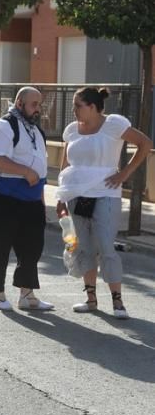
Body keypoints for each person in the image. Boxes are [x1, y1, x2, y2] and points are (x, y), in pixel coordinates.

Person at [56, 87, 152, 319]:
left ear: (92, 106)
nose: (74, 110)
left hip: (106, 193)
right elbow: (65, 166)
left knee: (106, 246)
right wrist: (60, 196)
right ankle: (91, 299)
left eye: (78, 105)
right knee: (85, 247)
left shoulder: (114, 125)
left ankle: (117, 302)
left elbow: (145, 144)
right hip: (76, 194)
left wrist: (124, 174)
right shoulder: (72, 131)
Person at [0, 87, 55, 312]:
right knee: (0, 245)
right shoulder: (3, 127)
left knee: (32, 248)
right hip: (6, 198)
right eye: (34, 104)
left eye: (39, 105)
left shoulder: (35, 130)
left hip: (33, 200)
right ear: (19, 103)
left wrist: (42, 202)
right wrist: (25, 172)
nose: (38, 109)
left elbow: (40, 169)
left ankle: (27, 295)